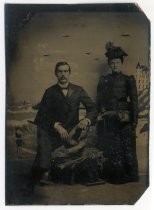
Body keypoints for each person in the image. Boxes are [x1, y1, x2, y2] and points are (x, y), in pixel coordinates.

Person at [31, 61, 97, 184]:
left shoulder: (78, 90)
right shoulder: (49, 91)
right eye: (60, 71)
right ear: (56, 74)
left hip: (74, 133)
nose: (63, 74)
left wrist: (86, 119)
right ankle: (46, 172)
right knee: (42, 130)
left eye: (66, 71)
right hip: (56, 134)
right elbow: (42, 115)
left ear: (69, 73)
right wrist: (56, 125)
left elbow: (93, 108)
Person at [96, 42, 139, 184]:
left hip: (124, 117)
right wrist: (102, 112)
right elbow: (100, 99)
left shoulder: (128, 79)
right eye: (112, 63)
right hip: (109, 117)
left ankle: (130, 175)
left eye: (117, 62)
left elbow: (134, 101)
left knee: (126, 145)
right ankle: (115, 175)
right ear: (109, 64)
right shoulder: (104, 80)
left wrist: (134, 121)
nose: (115, 65)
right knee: (113, 145)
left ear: (121, 64)